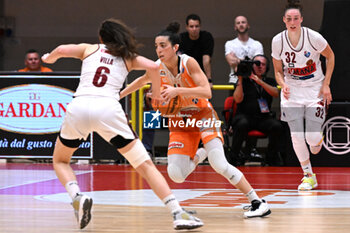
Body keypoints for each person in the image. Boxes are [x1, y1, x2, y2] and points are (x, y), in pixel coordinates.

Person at [41, 18, 203, 230]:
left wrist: (48, 58)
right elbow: (154, 66)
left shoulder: (89, 48)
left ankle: (76, 196)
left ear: (101, 38)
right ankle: (177, 212)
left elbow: (62, 49)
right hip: (108, 109)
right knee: (145, 165)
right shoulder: (129, 57)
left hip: (79, 105)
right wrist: (155, 94)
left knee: (60, 161)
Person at [120, 23, 271, 218]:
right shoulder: (156, 68)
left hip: (202, 116)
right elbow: (140, 81)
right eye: (156, 46)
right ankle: (201, 154)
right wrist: (117, 95)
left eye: (163, 45)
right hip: (180, 122)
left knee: (219, 164)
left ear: (175, 48)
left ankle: (257, 202)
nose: (158, 50)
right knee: (176, 174)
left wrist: (177, 91)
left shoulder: (188, 62)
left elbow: (207, 92)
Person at [271, 0, 335, 190]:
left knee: (312, 139)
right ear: (284, 20)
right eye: (289, 18)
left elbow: (330, 57)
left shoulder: (314, 37)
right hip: (292, 90)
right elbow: (277, 71)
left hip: (315, 88)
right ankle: (308, 175)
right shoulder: (278, 41)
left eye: (296, 18)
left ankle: (317, 140)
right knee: (297, 135)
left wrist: (326, 85)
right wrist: (283, 84)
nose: (292, 21)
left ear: (301, 19)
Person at [230, 54, 284, 166]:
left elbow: (275, 93)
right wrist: (239, 78)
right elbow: (237, 99)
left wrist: (260, 82)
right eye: (257, 64)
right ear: (251, 66)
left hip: (263, 118)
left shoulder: (270, 80)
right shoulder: (244, 80)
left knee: (277, 126)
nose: (260, 67)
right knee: (241, 124)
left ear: (267, 67)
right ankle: (234, 158)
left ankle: (271, 157)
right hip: (245, 116)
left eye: (263, 64)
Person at [225, 15, 263, 86]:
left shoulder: (257, 44)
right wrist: (250, 60)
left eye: (243, 22)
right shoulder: (230, 44)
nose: (241, 25)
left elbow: (258, 64)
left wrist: (238, 60)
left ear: (248, 25)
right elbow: (231, 62)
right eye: (238, 23)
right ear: (235, 27)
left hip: (253, 80)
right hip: (235, 81)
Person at [179, 14, 214, 86]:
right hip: (184, 75)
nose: (194, 29)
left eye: (196, 26)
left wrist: (208, 79)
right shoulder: (181, 38)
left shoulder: (206, 37)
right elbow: (178, 59)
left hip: (201, 75)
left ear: (200, 26)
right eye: (191, 26)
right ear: (187, 27)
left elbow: (206, 60)